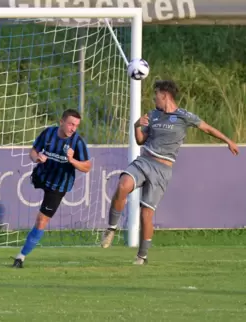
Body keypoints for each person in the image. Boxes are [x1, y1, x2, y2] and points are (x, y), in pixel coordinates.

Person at [101, 80, 240, 264]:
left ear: (165, 95)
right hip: (145, 160)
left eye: (156, 94)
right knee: (122, 185)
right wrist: (136, 125)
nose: (154, 98)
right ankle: (111, 228)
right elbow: (141, 140)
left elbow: (207, 128)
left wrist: (228, 140)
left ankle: (142, 256)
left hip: (163, 170)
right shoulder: (153, 115)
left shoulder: (184, 116)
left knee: (146, 214)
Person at [12, 109, 92, 268]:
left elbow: (87, 167)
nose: (73, 128)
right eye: (70, 124)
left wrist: (72, 160)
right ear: (61, 122)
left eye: (76, 125)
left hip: (59, 185)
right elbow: (33, 151)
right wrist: (37, 158)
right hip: (42, 175)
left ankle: (21, 257)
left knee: (41, 220)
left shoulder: (77, 142)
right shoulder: (48, 133)